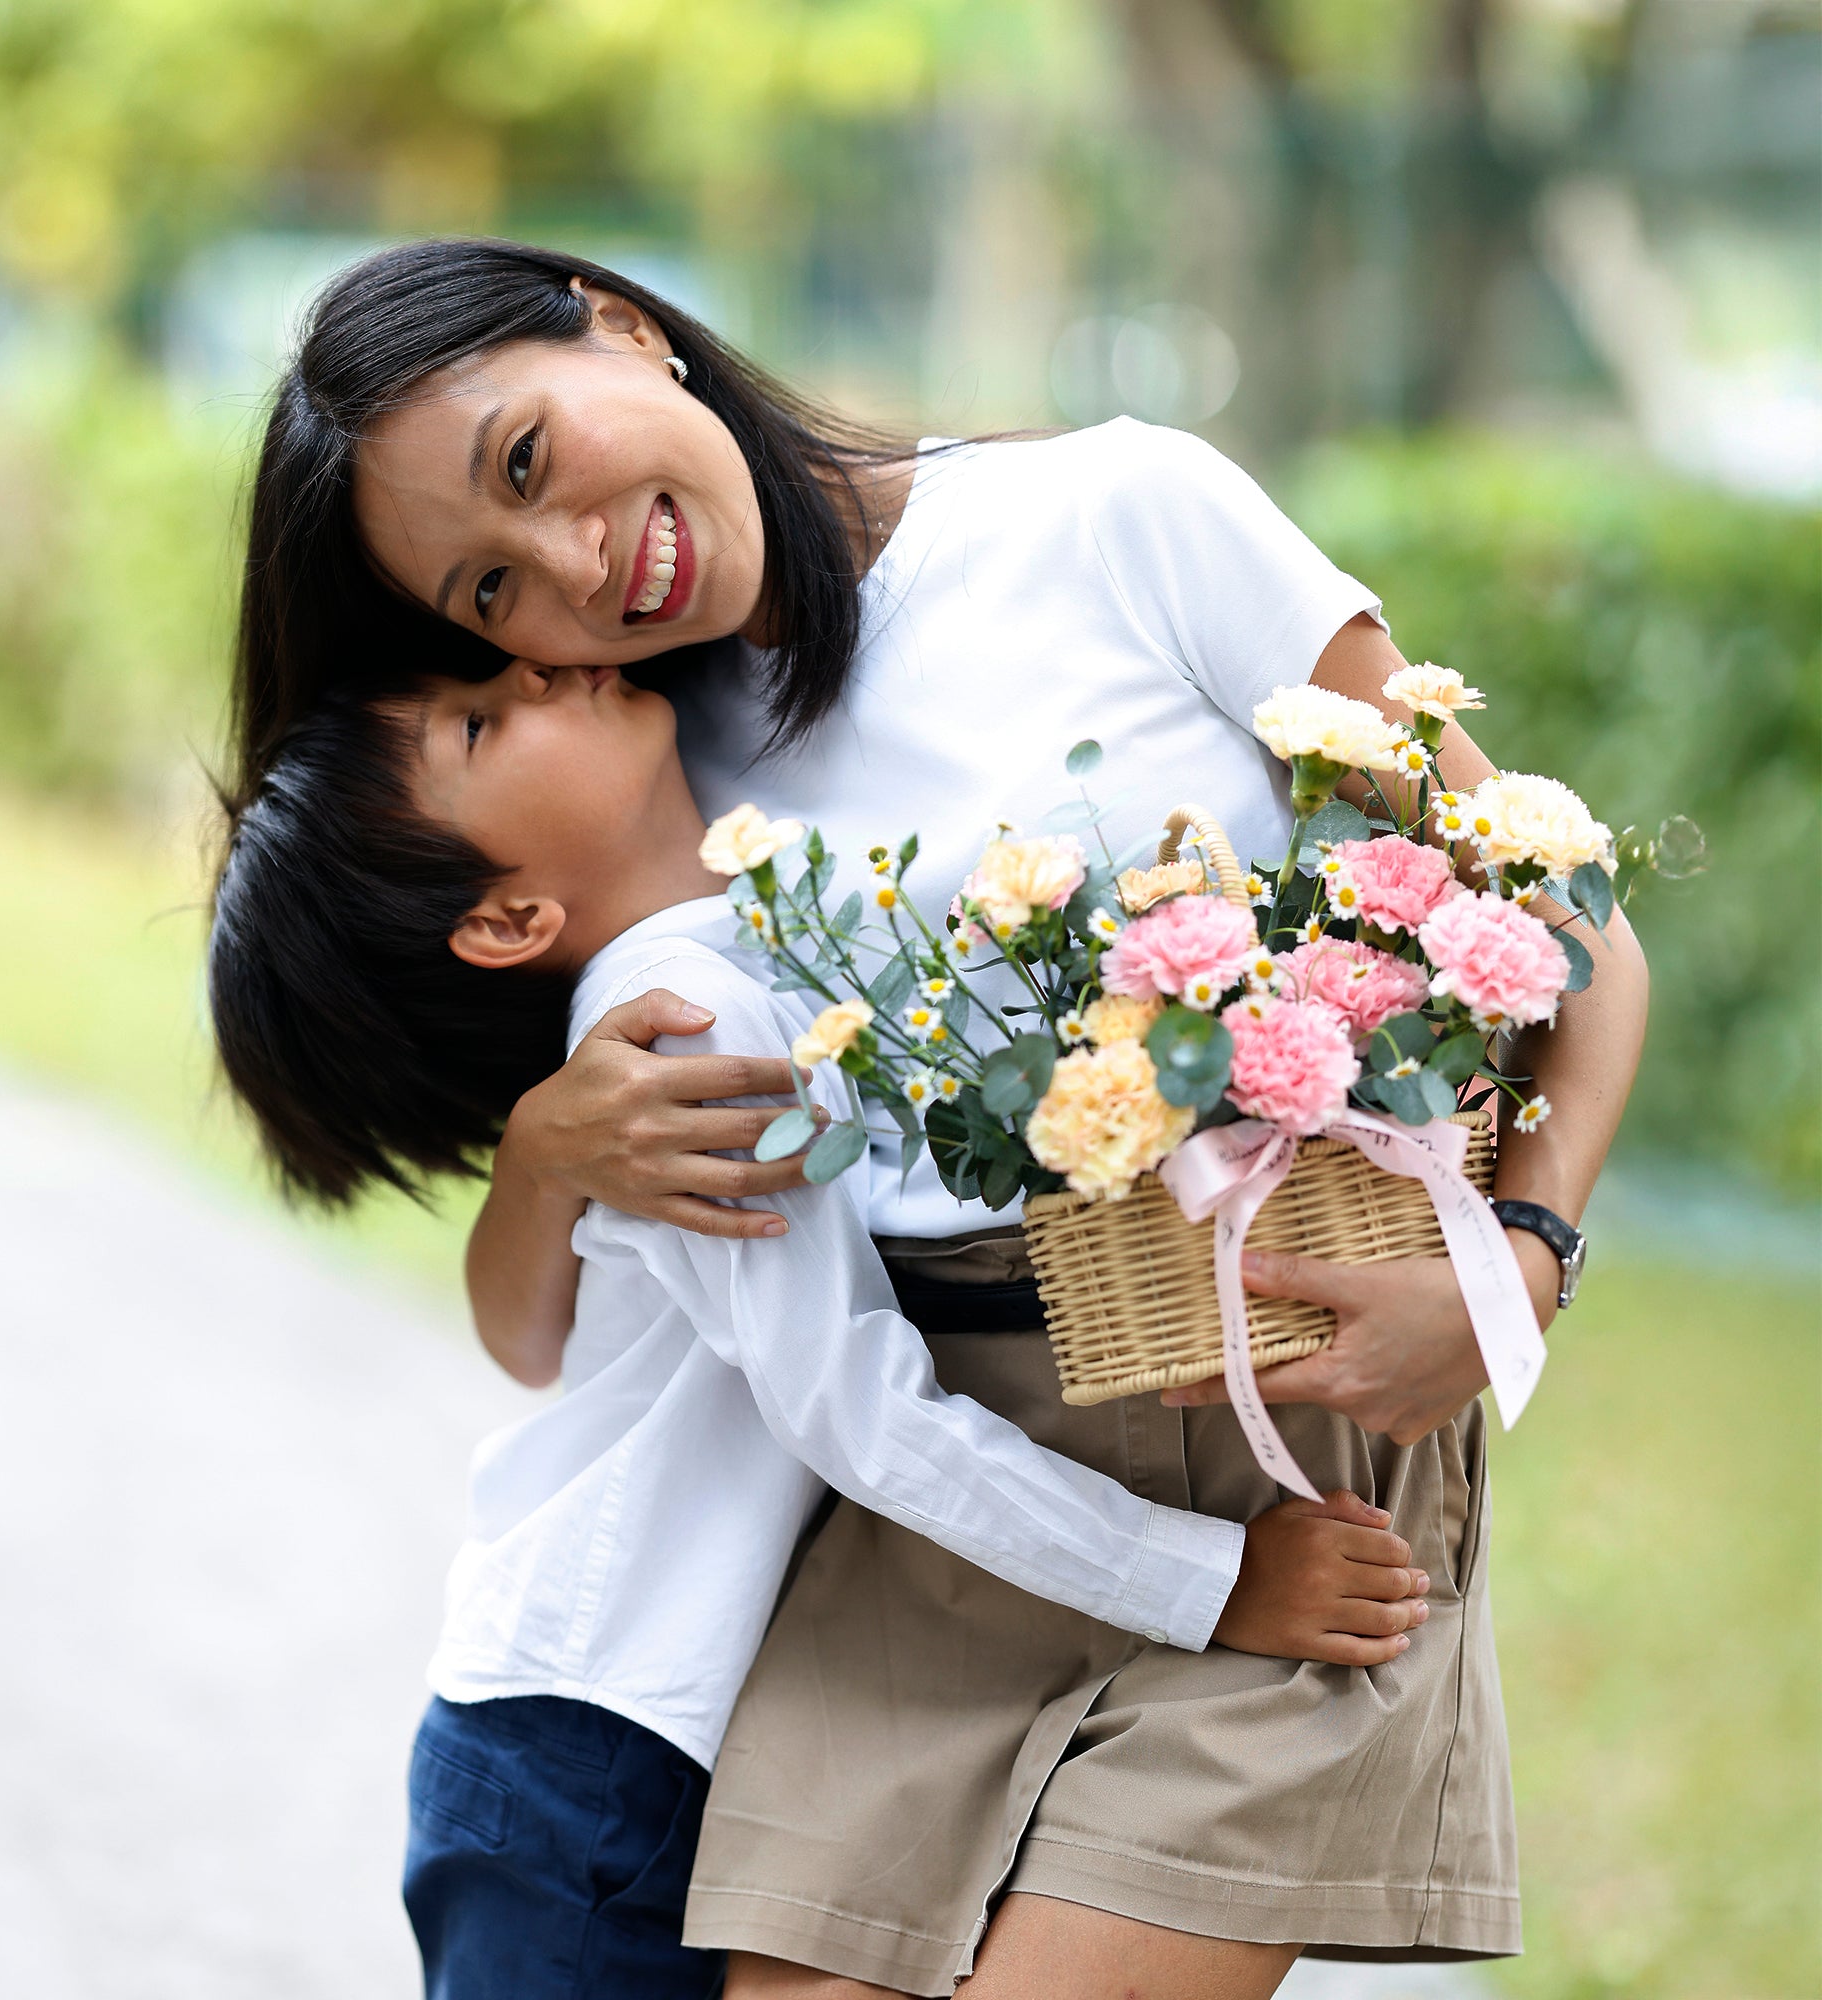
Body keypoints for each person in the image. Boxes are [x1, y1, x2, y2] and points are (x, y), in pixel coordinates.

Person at [229, 238, 1649, 1994]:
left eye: (530, 465)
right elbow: (552, 1324)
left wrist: (1521, 1259)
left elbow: (1565, 917)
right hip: (922, 1507)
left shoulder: (1121, 515)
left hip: (1273, 1462)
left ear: (623, 325)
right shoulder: (638, 751)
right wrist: (542, 1148)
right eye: (490, 599)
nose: (577, 574)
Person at [206, 660, 1431, 2000]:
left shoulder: (733, 963)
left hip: (611, 1739)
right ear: (508, 916)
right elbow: (858, 1410)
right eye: (481, 723)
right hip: (593, 1750)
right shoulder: (685, 1033)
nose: (538, 662)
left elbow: (547, 1342)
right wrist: (1210, 1582)